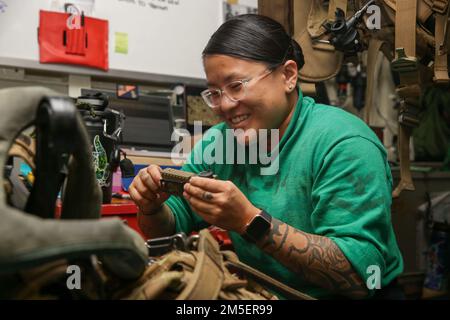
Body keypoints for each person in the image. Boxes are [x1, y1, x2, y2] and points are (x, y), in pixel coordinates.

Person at [129, 14, 403, 299]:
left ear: (287, 76)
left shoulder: (344, 143)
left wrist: (250, 221)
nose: (223, 105)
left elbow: (360, 276)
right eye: (214, 92)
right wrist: (151, 207)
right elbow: (173, 223)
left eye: (236, 86)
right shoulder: (220, 143)